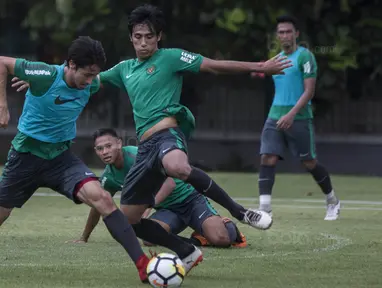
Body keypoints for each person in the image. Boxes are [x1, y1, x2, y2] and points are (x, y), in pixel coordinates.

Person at [11, 4, 291, 271]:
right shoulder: (123, 69)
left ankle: (241, 212)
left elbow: (214, 65)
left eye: (149, 37)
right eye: (137, 37)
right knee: (128, 220)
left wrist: (260, 66)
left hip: (167, 135)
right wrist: (41, 82)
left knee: (177, 167)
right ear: (131, 38)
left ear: (159, 37)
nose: (143, 42)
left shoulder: (170, 57)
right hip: (145, 149)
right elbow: (84, 77)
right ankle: (186, 250)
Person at [0, 36, 162, 283]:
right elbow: (2, 62)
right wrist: (2, 104)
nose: (90, 82)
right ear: (71, 64)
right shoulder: (44, 74)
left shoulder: (91, 83)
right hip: (25, 158)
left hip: (61, 159)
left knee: (103, 199)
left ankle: (142, 264)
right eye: (86, 75)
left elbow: (112, 76)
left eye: (93, 76)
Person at [69, 128, 247, 248]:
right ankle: (198, 238)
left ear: (118, 143)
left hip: (190, 200)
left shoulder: (138, 156)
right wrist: (84, 237)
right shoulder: (110, 177)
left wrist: (147, 206)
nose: (105, 152)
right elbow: (98, 205)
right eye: (100, 149)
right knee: (148, 239)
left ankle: (226, 225)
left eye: (108, 146)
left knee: (221, 240)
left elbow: (169, 184)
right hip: (167, 209)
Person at [254, 15, 340, 220]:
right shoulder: (275, 59)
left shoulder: (305, 57)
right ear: (277, 36)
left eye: (288, 31)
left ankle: (332, 201)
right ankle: (264, 209)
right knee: (268, 156)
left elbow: (309, 91)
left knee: (309, 162)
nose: (285, 35)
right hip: (274, 115)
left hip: (299, 117)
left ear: (296, 34)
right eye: (281, 32)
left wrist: (291, 114)